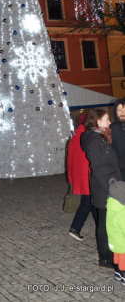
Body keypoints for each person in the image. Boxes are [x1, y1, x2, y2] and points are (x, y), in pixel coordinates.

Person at [81, 108, 122, 269]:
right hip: (105, 187)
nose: (110, 122)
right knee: (105, 223)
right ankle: (105, 258)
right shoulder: (94, 140)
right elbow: (98, 167)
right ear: (98, 121)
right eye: (107, 119)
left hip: (110, 184)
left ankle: (111, 253)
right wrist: (110, 189)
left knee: (108, 221)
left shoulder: (100, 136)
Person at [68, 114, 97, 241]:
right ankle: (75, 228)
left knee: (92, 202)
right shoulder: (90, 137)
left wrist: (71, 178)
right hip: (90, 176)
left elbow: (69, 160)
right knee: (89, 202)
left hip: (81, 176)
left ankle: (100, 228)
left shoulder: (74, 138)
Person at [106, 178, 125, 286]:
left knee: (116, 256)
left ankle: (117, 273)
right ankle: (123, 275)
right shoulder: (122, 212)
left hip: (113, 240)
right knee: (123, 259)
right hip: (122, 243)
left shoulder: (111, 206)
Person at [110, 99, 125, 181]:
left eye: (124, 110)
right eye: (119, 110)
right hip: (119, 171)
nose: (122, 113)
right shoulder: (111, 128)